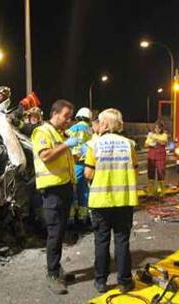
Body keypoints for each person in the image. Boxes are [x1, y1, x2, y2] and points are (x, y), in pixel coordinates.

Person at [85, 108, 138, 294]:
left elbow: (88, 173)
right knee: (122, 241)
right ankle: (124, 281)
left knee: (101, 241)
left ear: (105, 124)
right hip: (124, 200)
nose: (97, 125)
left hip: (101, 201)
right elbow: (135, 169)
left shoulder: (95, 145)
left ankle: (100, 281)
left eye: (99, 122)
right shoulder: (129, 144)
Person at [31, 99, 79, 295]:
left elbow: (63, 158)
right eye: (66, 117)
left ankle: (57, 268)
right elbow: (45, 156)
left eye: (70, 117)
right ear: (55, 113)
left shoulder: (59, 133)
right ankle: (52, 273)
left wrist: (75, 153)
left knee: (60, 231)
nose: (68, 121)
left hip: (64, 187)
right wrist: (66, 144)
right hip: (52, 191)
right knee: (54, 232)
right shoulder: (42, 131)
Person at [66, 107, 93, 226]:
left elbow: (65, 140)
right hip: (87, 163)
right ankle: (83, 216)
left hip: (74, 162)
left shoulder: (73, 128)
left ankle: (71, 217)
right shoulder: (90, 130)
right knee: (84, 190)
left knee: (71, 189)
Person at [144, 120, 168, 197]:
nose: (157, 130)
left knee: (161, 172)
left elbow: (164, 142)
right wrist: (150, 143)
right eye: (155, 128)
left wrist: (155, 139)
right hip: (151, 155)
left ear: (161, 129)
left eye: (158, 128)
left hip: (160, 155)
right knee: (151, 173)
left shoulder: (164, 135)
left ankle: (162, 190)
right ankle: (151, 191)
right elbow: (146, 144)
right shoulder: (150, 135)